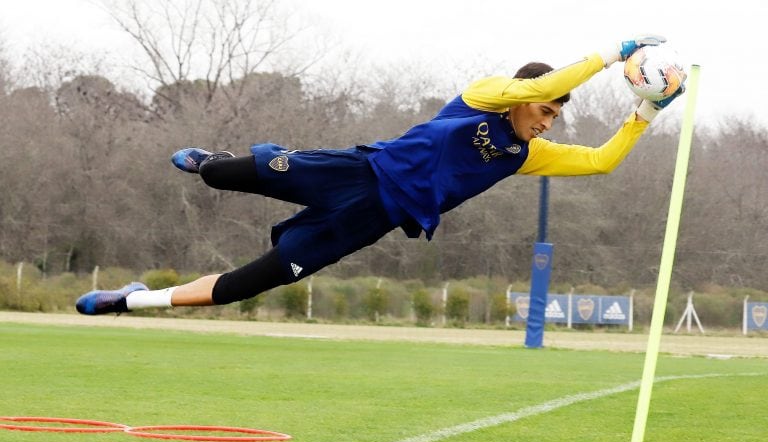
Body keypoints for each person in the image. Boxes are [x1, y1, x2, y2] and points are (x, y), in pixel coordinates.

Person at [76, 35, 684, 315]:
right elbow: (548, 82)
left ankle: (134, 300)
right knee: (225, 177)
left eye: (555, 116)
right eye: (545, 111)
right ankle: (212, 161)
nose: (549, 121)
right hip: (356, 172)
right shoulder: (482, 96)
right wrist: (612, 53)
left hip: (374, 218)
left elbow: (602, 160)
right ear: (521, 98)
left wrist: (645, 113)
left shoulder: (525, 154)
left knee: (251, 283)